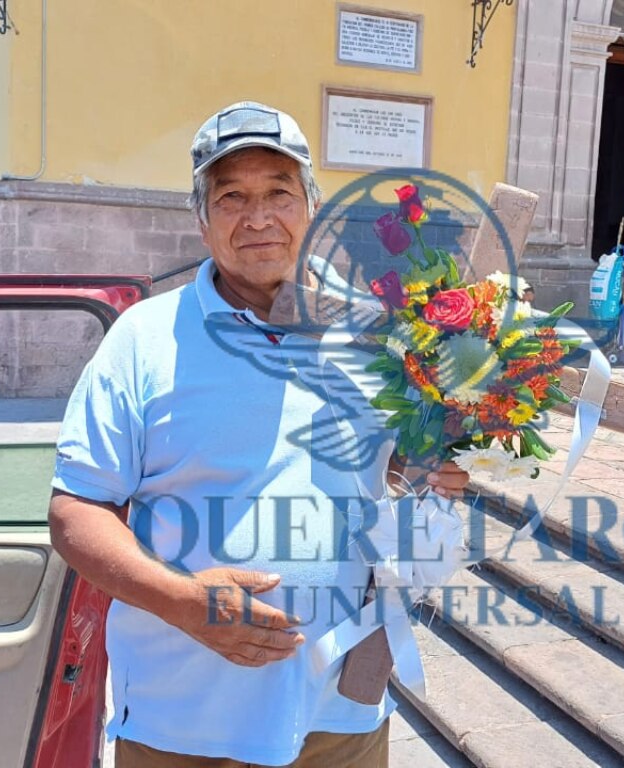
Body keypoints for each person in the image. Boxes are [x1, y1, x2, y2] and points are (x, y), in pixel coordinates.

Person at [48, 101, 470, 768]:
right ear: (202, 217)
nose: (258, 217)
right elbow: (77, 510)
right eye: (232, 197)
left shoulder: (376, 332)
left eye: (279, 192)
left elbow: (388, 468)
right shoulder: (145, 339)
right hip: (185, 723)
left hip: (343, 711)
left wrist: (426, 474)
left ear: (312, 204)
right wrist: (185, 602)